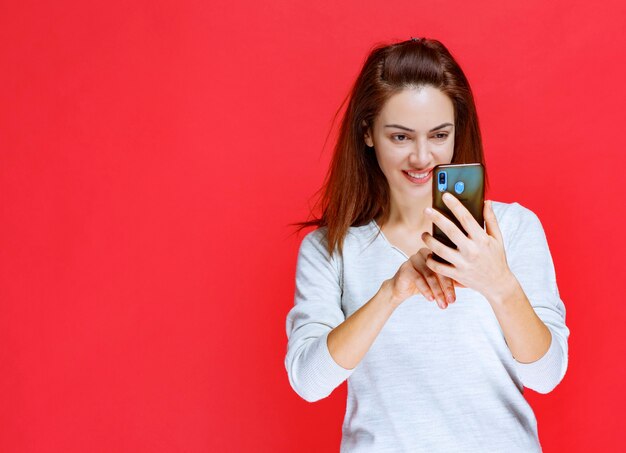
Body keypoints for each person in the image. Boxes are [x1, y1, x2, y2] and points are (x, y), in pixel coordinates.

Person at [284, 37, 570, 452]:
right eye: (400, 137)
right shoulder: (330, 249)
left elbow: (546, 375)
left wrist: (498, 283)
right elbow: (309, 383)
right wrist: (392, 293)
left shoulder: (512, 228)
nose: (422, 158)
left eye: (439, 135)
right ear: (368, 133)